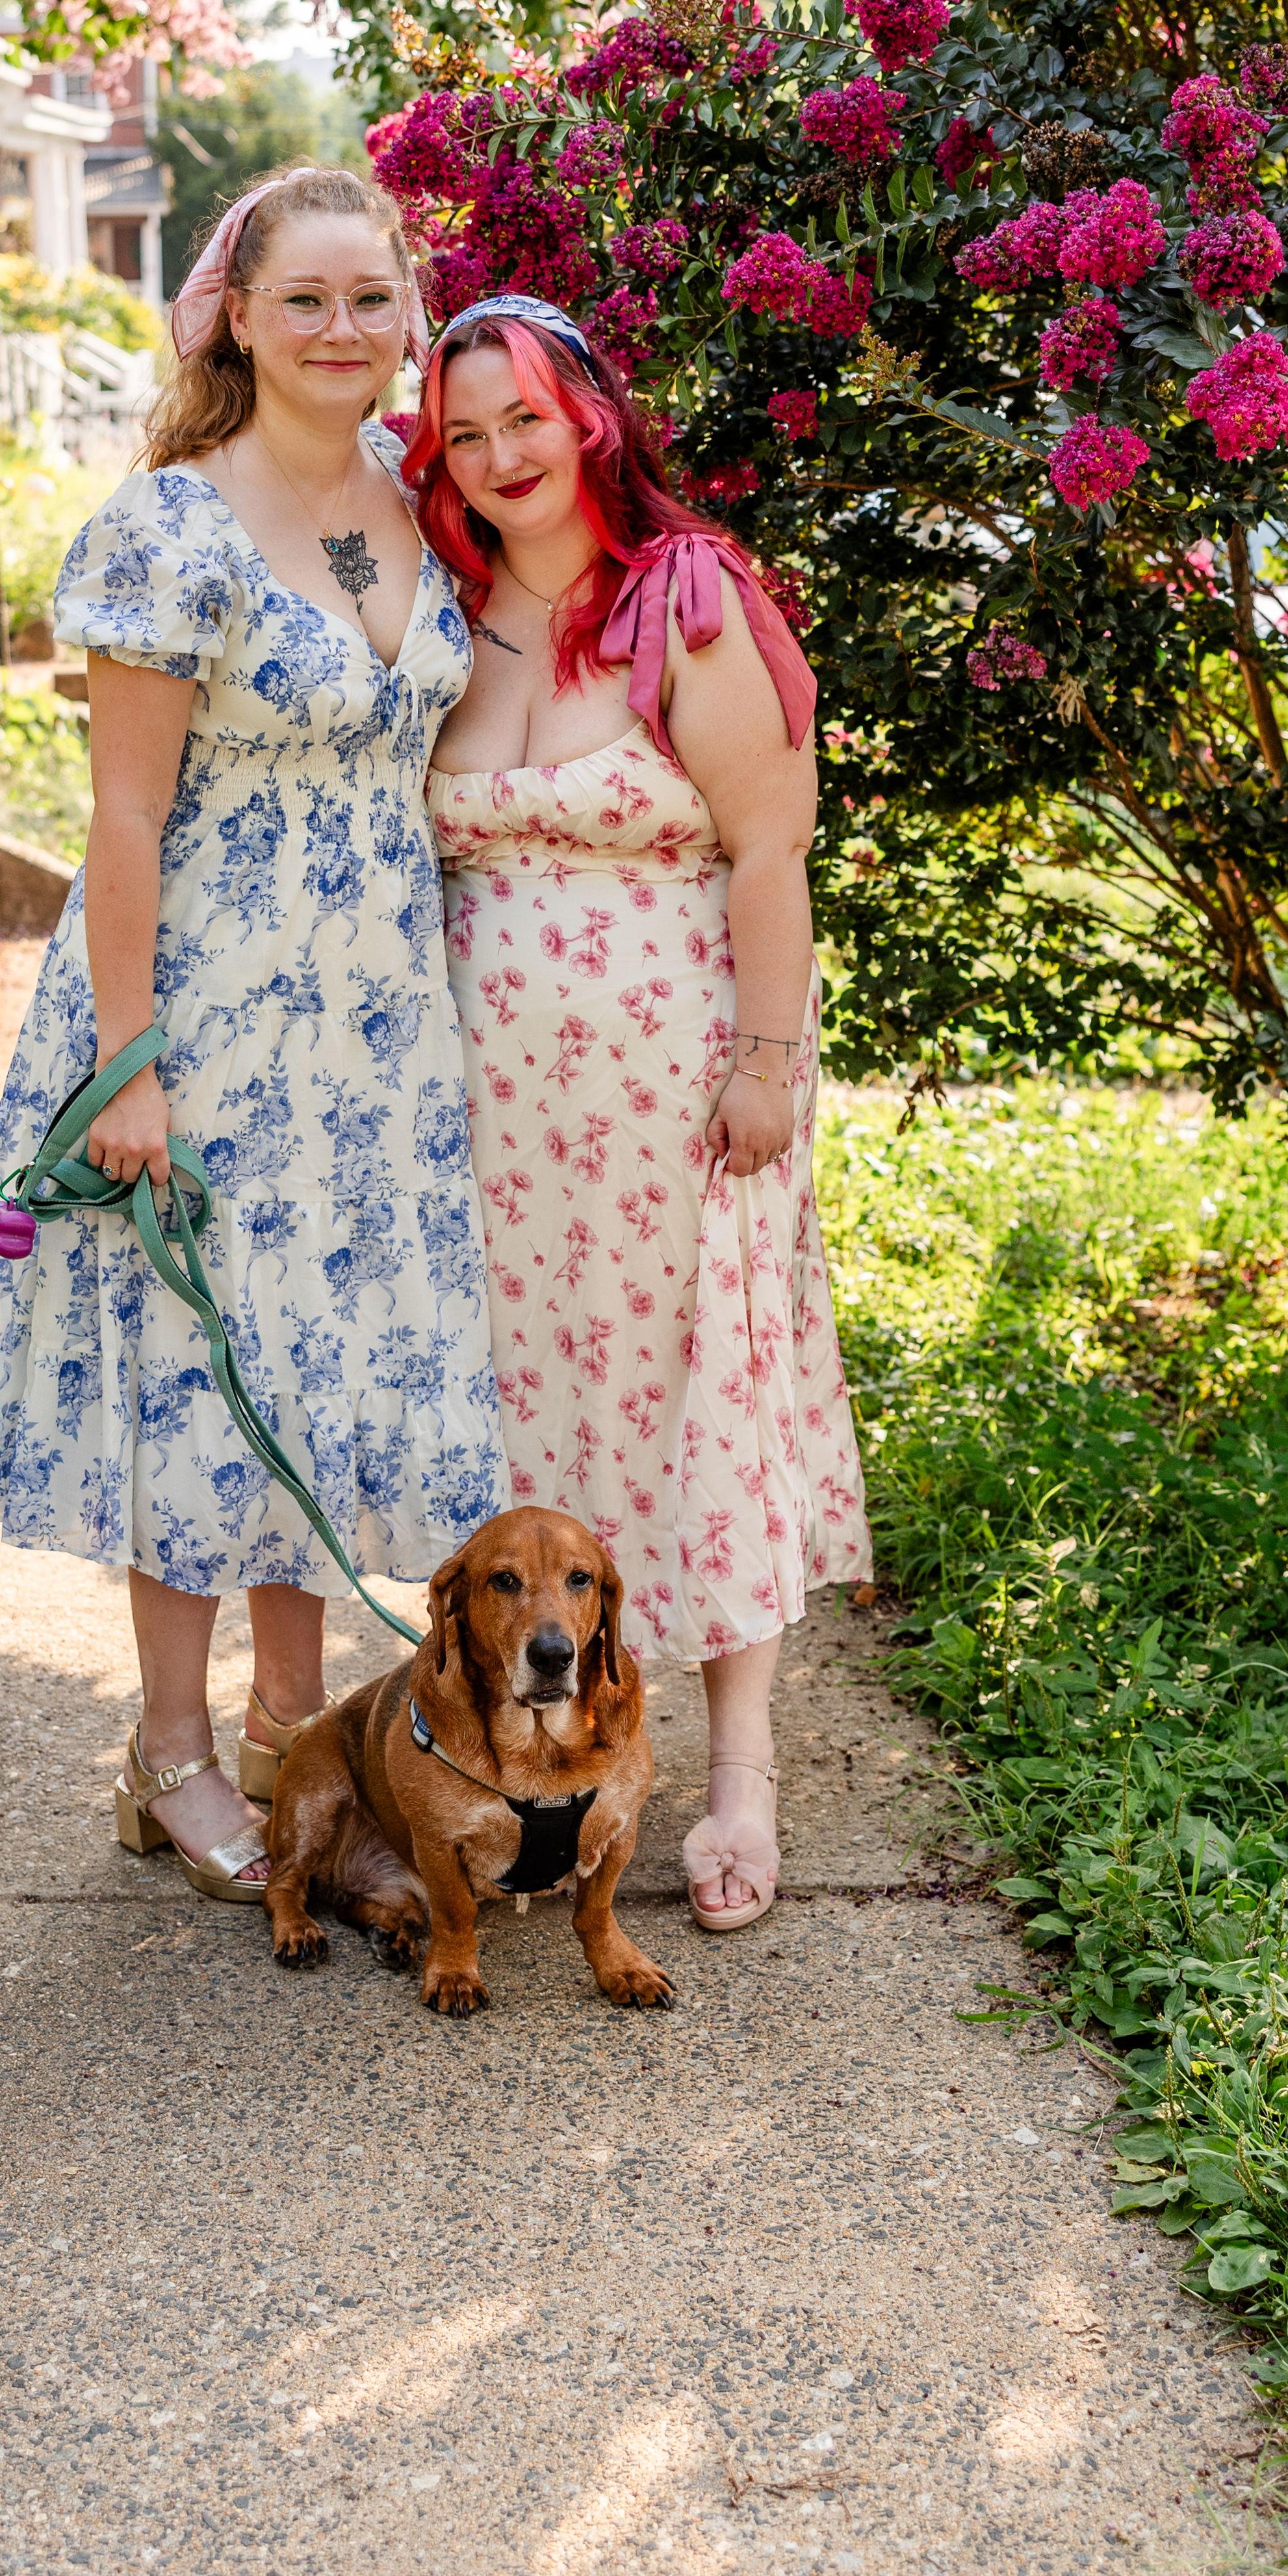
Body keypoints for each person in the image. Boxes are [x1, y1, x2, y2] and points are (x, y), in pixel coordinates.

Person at [0, 168, 508, 1903]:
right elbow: (119, 817)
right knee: (199, 1377)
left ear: (407, 317)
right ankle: (168, 1749)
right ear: (235, 318)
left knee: (326, 1374)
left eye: (370, 298)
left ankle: (291, 1731)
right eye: (305, 299)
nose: (342, 329)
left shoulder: (428, 506)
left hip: (379, 1042)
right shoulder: (168, 527)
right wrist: (129, 1062)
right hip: (209, 1021)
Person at [407, 293, 871, 1934]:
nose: (497, 456)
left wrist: (767, 1058)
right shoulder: (438, 610)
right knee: (535, 1430)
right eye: (462, 433)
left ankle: (737, 1765)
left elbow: (765, 841)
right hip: (495, 1121)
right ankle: (531, 1773)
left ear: (587, 413)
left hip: (675, 1094)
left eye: (521, 416)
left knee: (701, 1399)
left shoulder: (680, 598)